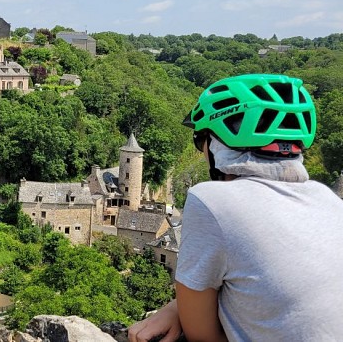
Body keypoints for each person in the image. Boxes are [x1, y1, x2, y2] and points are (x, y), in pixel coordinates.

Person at [129, 74, 343, 342]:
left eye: (200, 141)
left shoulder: (210, 200)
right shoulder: (329, 201)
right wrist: (177, 306)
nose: (200, 152)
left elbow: (202, 337)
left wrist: (182, 307)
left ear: (217, 143)